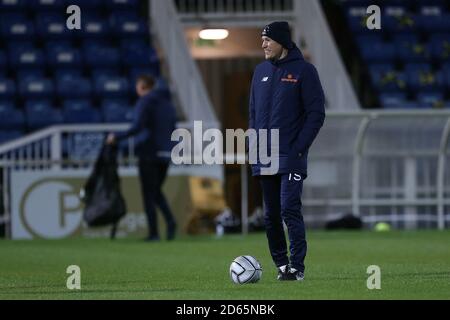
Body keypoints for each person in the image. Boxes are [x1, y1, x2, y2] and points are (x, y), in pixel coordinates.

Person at [248, 21, 326, 280]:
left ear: (282, 41)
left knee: (289, 209)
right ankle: (282, 266)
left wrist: (299, 148)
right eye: (262, 39)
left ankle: (298, 268)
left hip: (291, 155)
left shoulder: (305, 71)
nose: (263, 44)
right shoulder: (259, 72)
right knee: (270, 215)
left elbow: (316, 114)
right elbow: (253, 114)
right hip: (264, 156)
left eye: (268, 39)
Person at [106, 75, 177, 241]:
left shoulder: (145, 102)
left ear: (142, 86)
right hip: (166, 154)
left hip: (149, 153)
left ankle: (154, 233)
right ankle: (170, 221)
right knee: (156, 191)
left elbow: (137, 127)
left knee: (148, 194)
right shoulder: (167, 104)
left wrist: (116, 137)